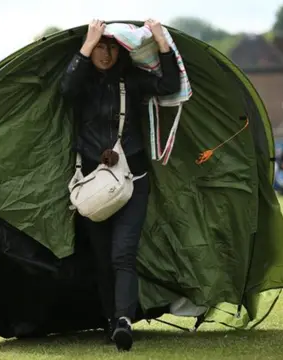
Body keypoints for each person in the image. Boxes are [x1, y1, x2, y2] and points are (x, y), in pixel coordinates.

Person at [60, 19, 181, 351]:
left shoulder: (132, 80)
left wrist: (159, 39)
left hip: (133, 180)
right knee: (100, 258)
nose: (106, 53)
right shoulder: (82, 81)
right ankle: (111, 321)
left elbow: (170, 83)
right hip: (92, 183)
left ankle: (124, 321)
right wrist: (88, 43)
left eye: (112, 46)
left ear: (122, 50)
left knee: (122, 255)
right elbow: (66, 88)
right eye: (101, 46)